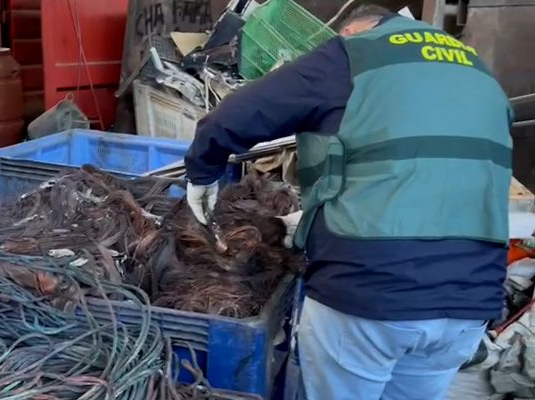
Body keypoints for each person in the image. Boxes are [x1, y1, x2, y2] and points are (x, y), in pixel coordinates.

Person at [184, 5, 513, 400]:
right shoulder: (478, 71)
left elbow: (236, 115)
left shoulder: (357, 52)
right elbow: (426, 174)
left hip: (371, 292)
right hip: (470, 299)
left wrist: (202, 170)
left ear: (355, 29)